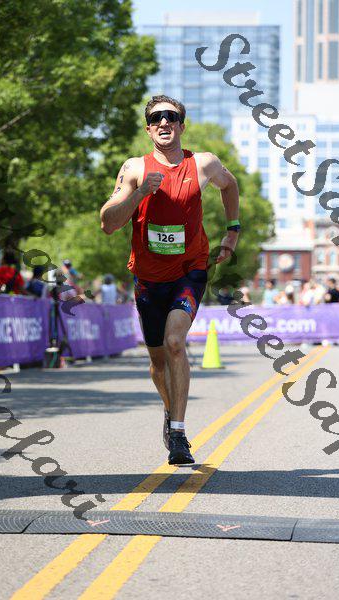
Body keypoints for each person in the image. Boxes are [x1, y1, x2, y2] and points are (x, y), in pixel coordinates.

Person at [100, 95, 240, 465]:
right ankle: (169, 409)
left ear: (181, 125)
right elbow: (108, 223)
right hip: (148, 279)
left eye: (171, 117)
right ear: (148, 129)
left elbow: (230, 186)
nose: (164, 122)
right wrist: (140, 192)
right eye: (156, 118)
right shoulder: (134, 168)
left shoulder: (204, 163)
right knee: (158, 361)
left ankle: (178, 434)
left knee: (175, 342)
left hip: (189, 271)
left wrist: (232, 232)